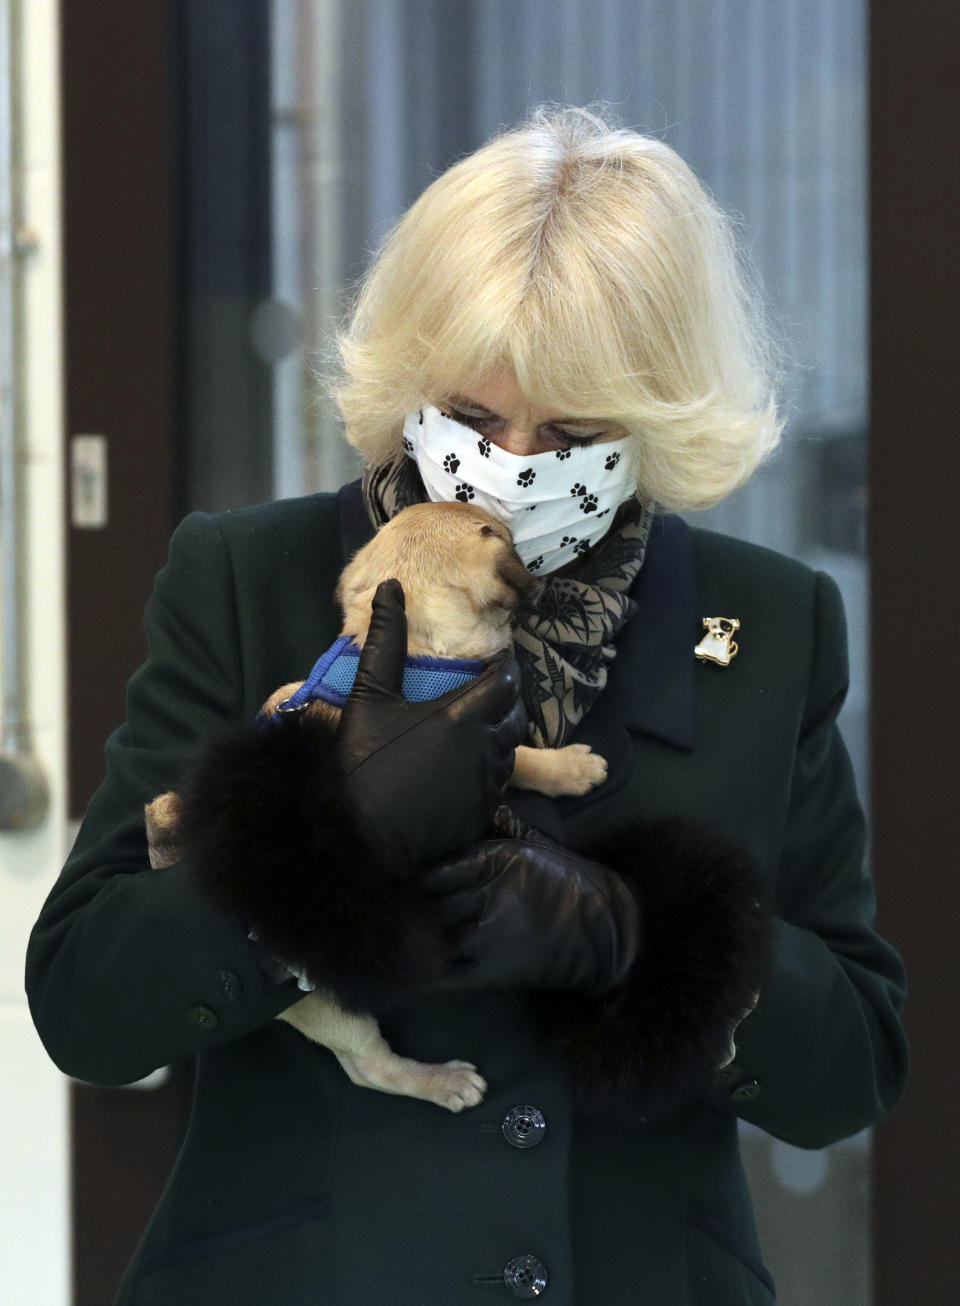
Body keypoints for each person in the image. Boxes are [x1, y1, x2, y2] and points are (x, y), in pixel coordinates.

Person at [25, 106, 907, 1305]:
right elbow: (88, 1003)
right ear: (411, 383)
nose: (518, 464)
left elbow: (852, 1065)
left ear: (657, 420)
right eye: (478, 417)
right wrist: (326, 843)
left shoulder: (769, 623)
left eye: (576, 431)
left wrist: (641, 943)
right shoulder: (250, 579)